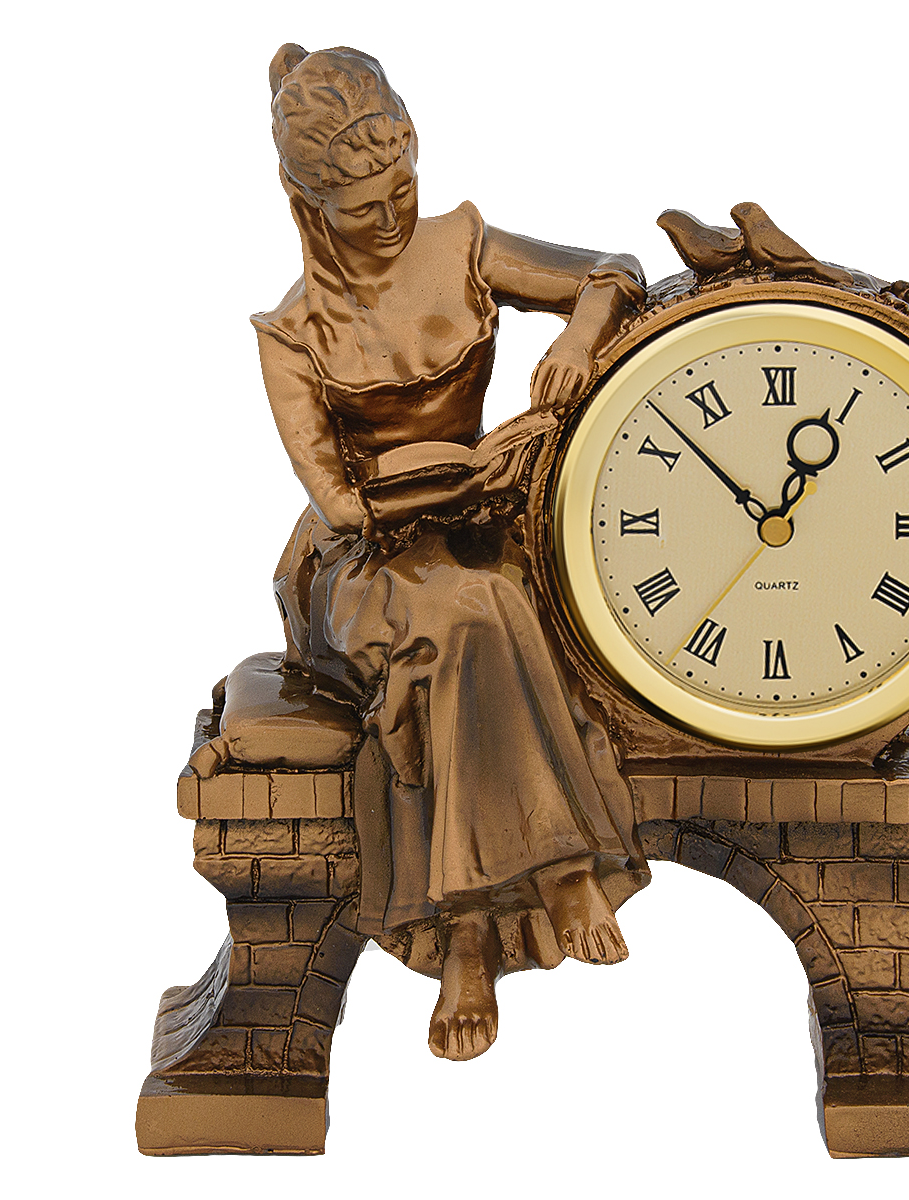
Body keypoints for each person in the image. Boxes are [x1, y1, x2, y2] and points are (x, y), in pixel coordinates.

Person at [252, 44, 650, 1061]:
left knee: (493, 603)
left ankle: (469, 936)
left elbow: (614, 273)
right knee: (471, 612)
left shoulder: (463, 245)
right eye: (361, 208)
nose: (392, 219)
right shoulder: (292, 332)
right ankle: (561, 872)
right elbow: (336, 499)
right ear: (306, 204)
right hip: (362, 561)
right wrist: (439, 484)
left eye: (402, 189)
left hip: (474, 531)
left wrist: (574, 341)